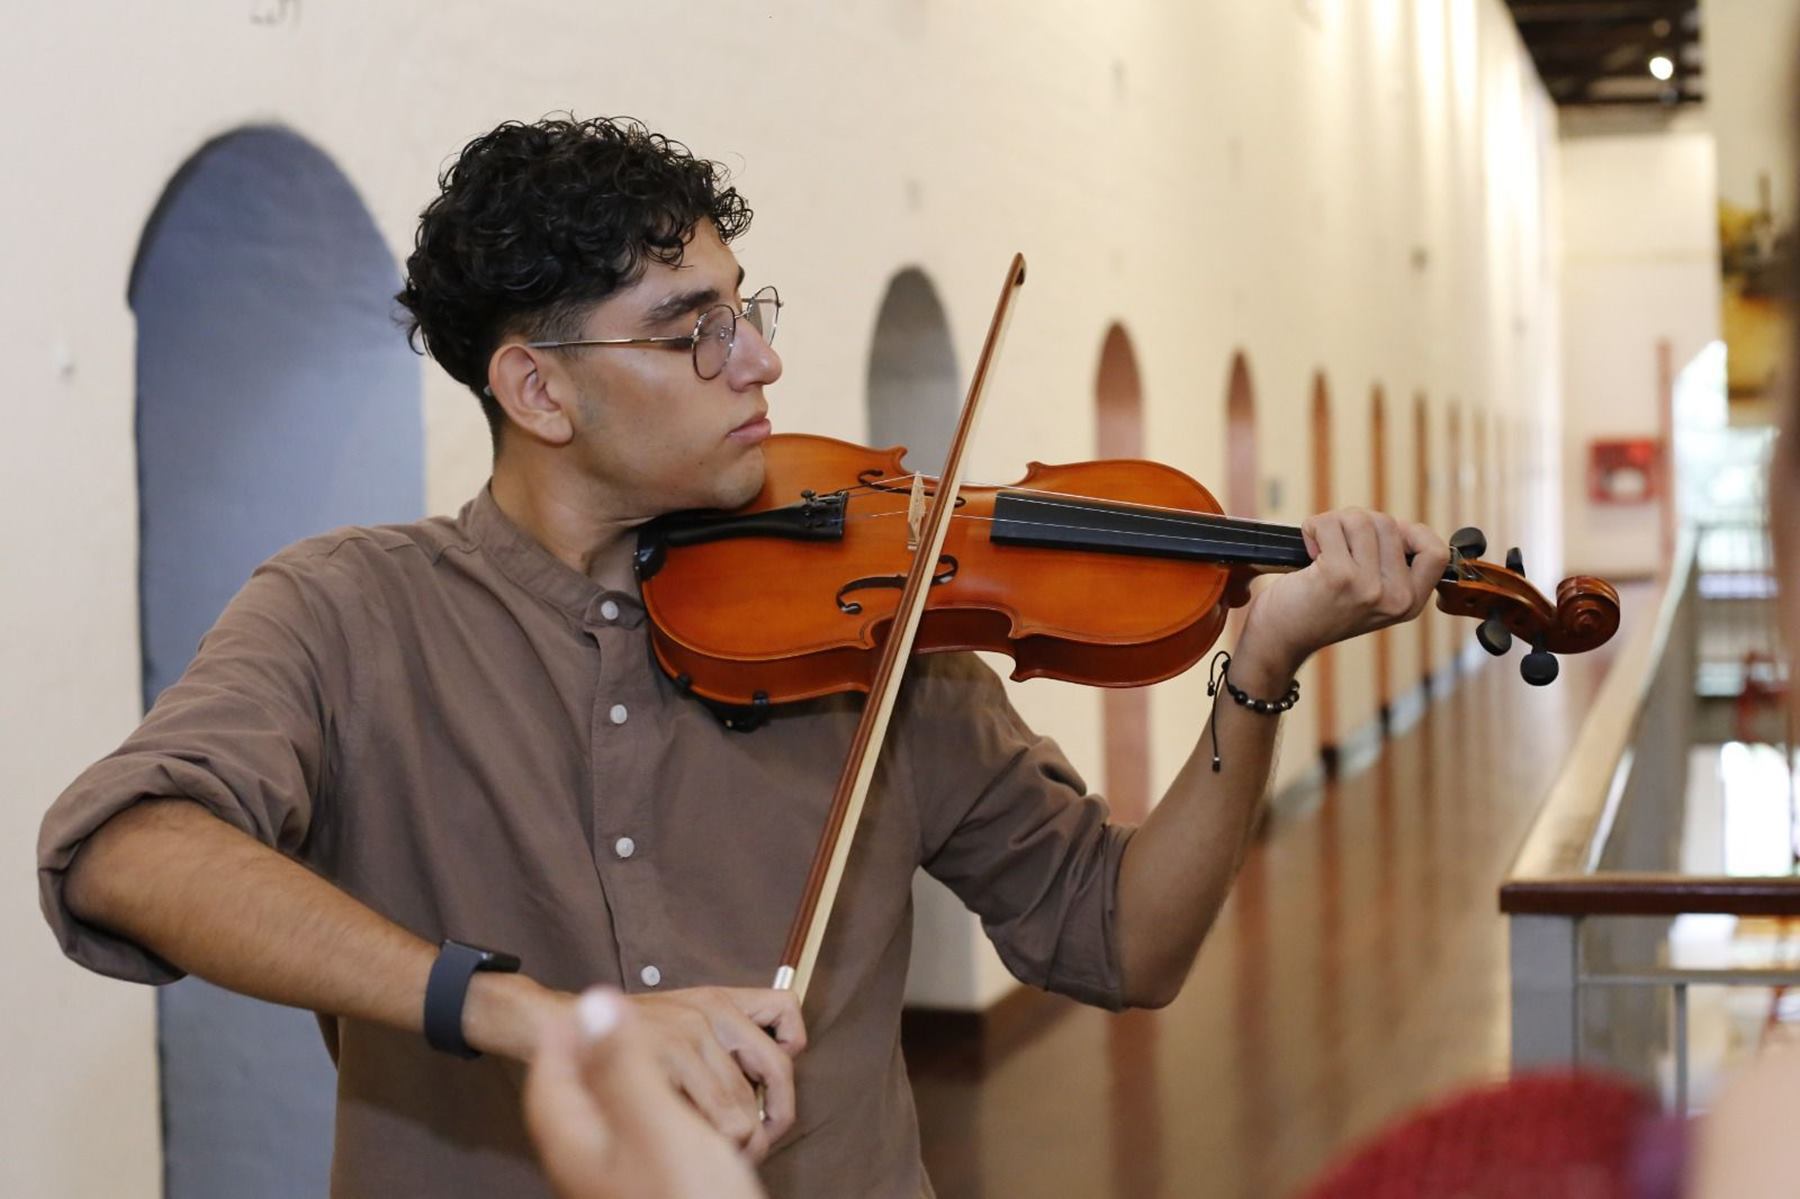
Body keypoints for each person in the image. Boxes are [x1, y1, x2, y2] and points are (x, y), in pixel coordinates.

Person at [37, 114, 1450, 1198]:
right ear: (536, 388)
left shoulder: (874, 623)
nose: (759, 364)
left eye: (746, 310)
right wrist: (533, 1022)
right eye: (688, 333)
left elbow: (1123, 939)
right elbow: (126, 849)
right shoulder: (349, 614)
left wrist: (1259, 666)